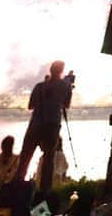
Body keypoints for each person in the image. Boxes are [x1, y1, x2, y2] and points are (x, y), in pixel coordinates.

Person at [14, 61, 73, 200]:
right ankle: (44, 193)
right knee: (48, 160)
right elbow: (67, 105)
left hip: (35, 124)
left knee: (25, 158)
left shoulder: (39, 86)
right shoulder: (66, 86)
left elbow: (30, 106)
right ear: (61, 71)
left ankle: (17, 188)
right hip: (52, 126)